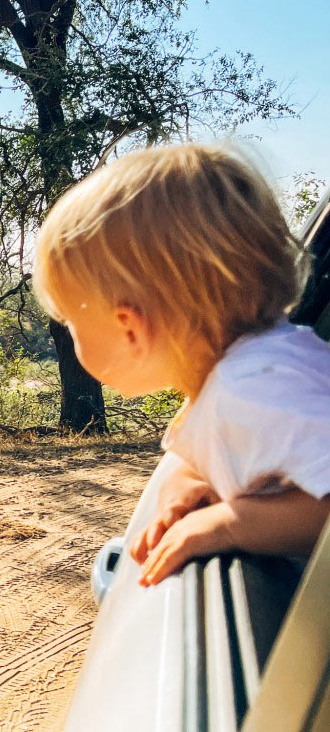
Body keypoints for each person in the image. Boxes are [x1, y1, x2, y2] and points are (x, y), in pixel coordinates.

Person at [32, 143, 330, 586]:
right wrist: (197, 476)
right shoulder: (268, 366)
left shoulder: (249, 388)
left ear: (129, 329)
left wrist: (231, 522)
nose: (69, 335)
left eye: (71, 321)